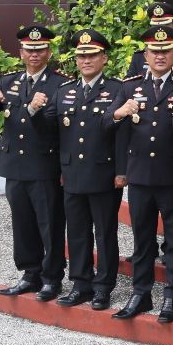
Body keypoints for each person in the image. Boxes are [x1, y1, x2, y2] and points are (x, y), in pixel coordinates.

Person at [0, 25, 67, 301]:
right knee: (22, 222)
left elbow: (61, 127)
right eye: (30, 50)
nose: (34, 54)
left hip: (44, 165)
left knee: (49, 224)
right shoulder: (9, 82)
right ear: (21, 53)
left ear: (48, 53)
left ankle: (52, 278)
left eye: (40, 50)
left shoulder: (59, 84)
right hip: (14, 165)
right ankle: (30, 273)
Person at [109, 26, 173, 323]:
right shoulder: (129, 87)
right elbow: (111, 125)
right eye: (154, 51)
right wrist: (119, 112)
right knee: (142, 239)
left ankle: (172, 295)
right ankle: (141, 293)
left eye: (166, 51)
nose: (160, 56)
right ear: (145, 55)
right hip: (140, 176)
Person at [46, 29, 122, 310]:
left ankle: (103, 286)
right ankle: (81, 283)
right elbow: (51, 131)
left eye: (92, 55)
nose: (86, 60)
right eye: (81, 56)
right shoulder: (65, 91)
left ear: (104, 58)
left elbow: (122, 135)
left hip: (103, 172)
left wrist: (121, 171)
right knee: (77, 232)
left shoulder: (116, 89)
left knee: (104, 232)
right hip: (72, 172)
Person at [124, 1, 173, 78]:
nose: (160, 30)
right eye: (155, 27)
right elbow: (129, 84)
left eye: (165, 26)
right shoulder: (139, 57)